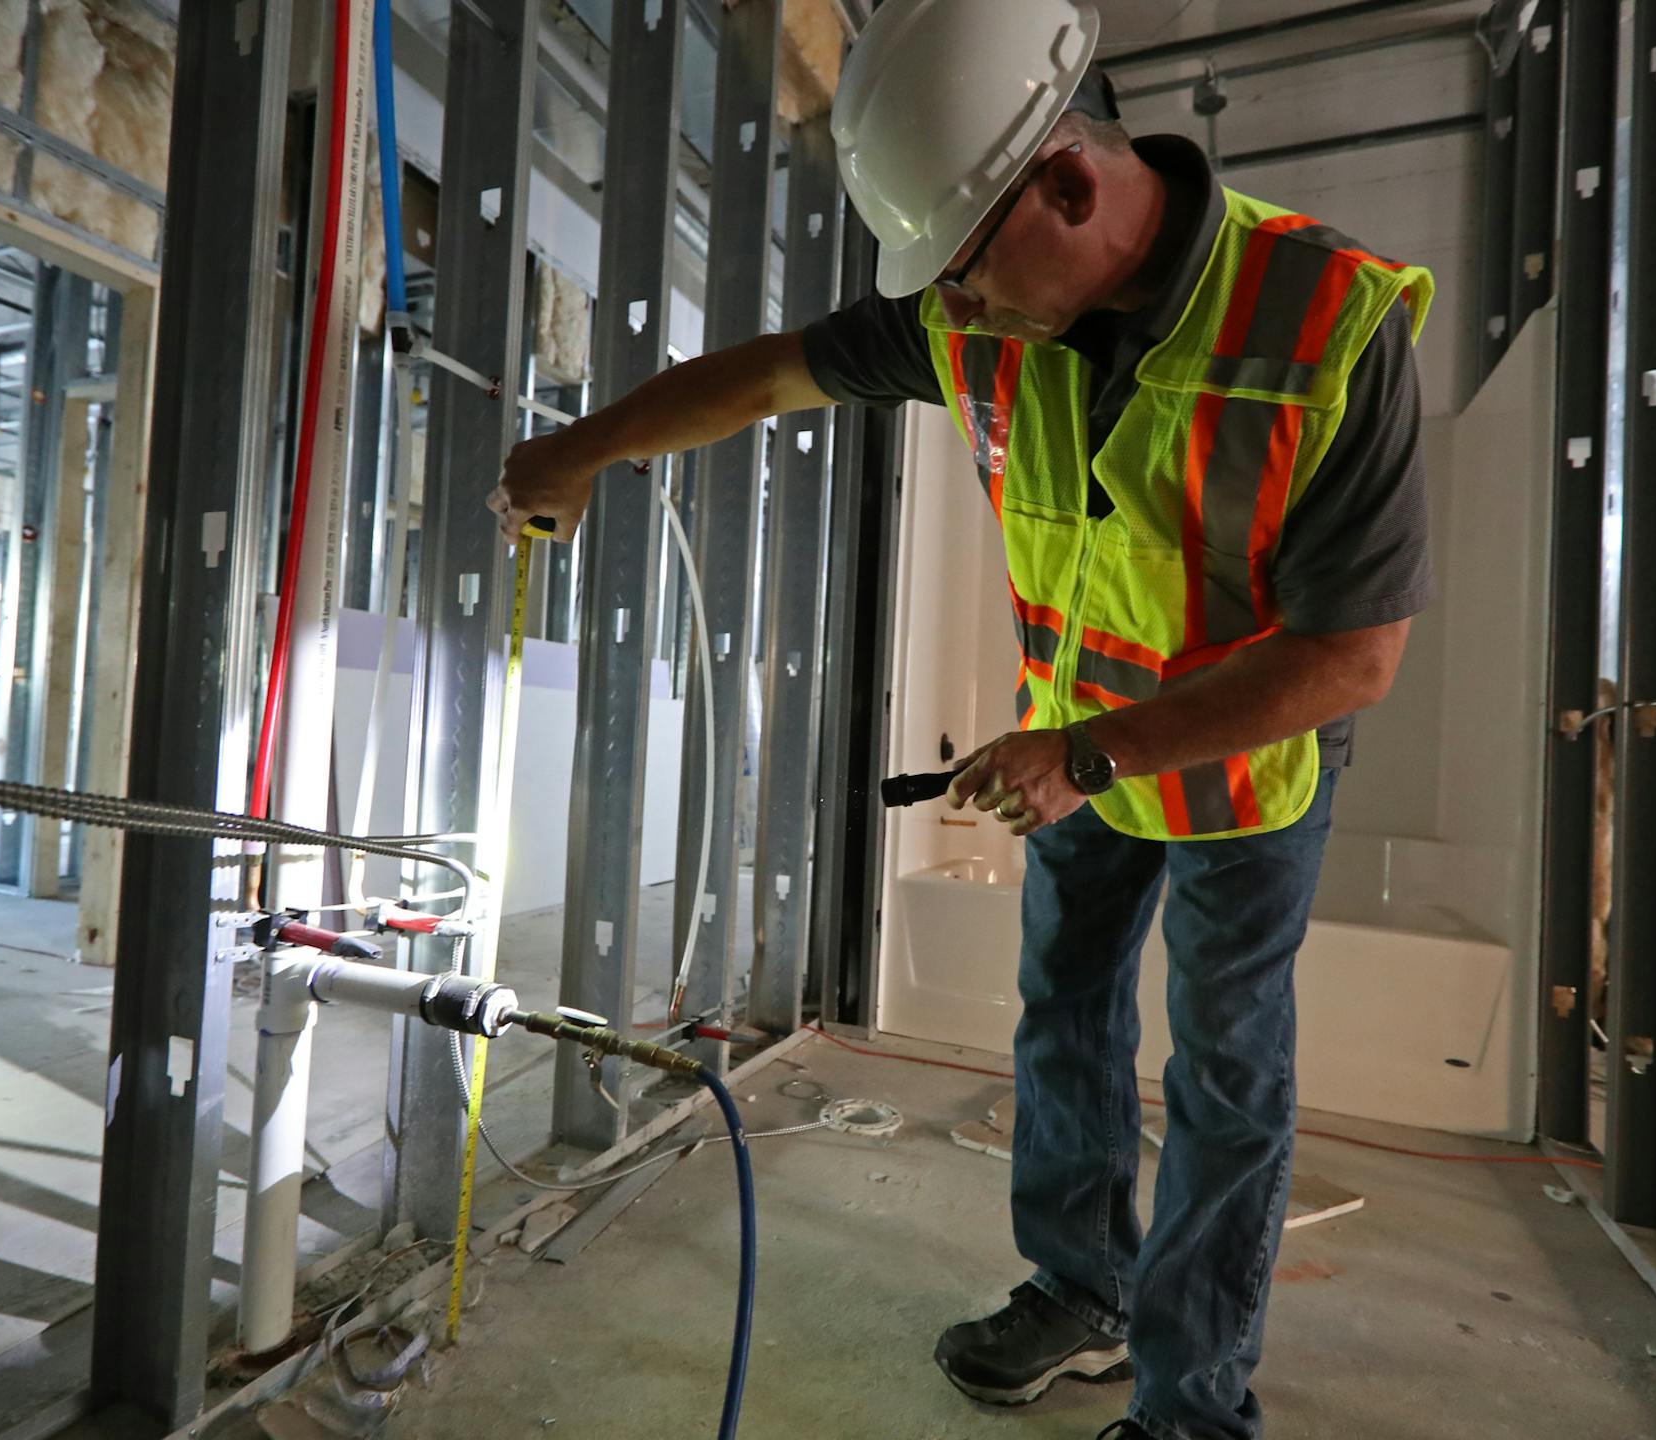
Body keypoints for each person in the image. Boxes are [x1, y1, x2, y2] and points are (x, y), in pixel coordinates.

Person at [489, 2, 1435, 1435]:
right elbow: (768, 373)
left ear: (1070, 185)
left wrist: (1094, 752)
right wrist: (584, 446)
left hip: (1238, 775)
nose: (959, 308)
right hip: (1072, 745)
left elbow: (1354, 656)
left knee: (1227, 1065)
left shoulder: (1325, 319)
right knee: (1066, 1012)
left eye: (971, 269)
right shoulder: (975, 307)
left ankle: (1191, 1405)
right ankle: (1083, 1289)